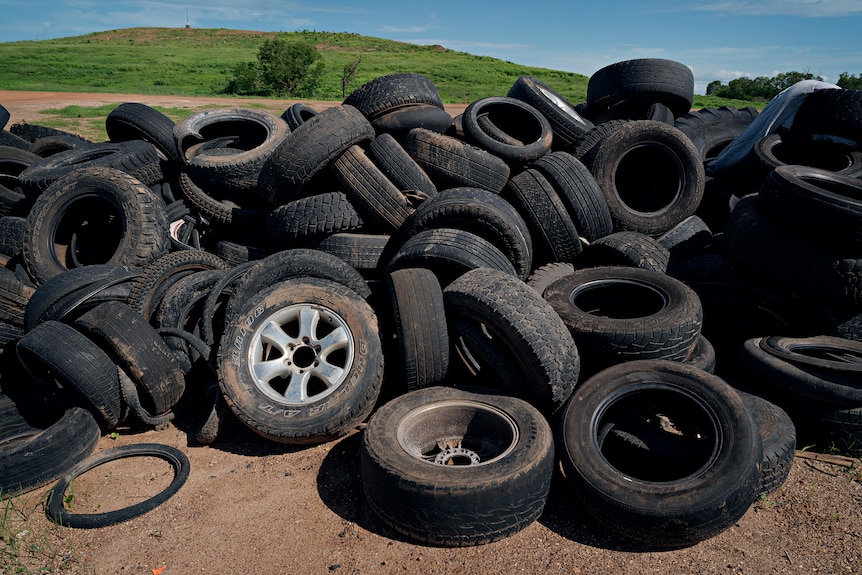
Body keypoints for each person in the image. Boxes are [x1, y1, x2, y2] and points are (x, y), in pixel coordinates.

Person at [706, 79, 840, 176]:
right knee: (760, 133)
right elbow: (760, 131)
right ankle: (721, 166)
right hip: (805, 95)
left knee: (761, 132)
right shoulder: (805, 92)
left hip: (816, 119)